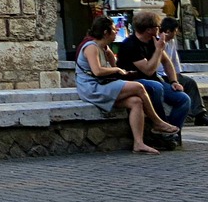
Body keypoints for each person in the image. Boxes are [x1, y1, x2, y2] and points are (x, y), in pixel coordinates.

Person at [75, 16, 179, 155]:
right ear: (105, 32)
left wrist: (116, 65)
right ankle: (157, 122)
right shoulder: (91, 47)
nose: (116, 32)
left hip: (102, 85)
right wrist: (117, 70)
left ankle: (138, 143)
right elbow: (97, 71)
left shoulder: (104, 47)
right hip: (91, 88)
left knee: (136, 102)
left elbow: (113, 65)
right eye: (113, 29)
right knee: (139, 87)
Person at [117, 8, 192, 145]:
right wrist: (158, 49)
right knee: (156, 87)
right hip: (134, 82)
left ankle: (171, 134)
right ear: (149, 30)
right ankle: (160, 126)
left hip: (153, 81)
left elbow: (167, 62)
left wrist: (173, 81)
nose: (160, 29)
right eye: (157, 27)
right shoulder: (130, 45)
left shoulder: (153, 41)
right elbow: (148, 70)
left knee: (183, 99)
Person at [158, 16, 206, 126]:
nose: (176, 33)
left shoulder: (172, 42)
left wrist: (177, 76)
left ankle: (200, 114)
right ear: (168, 31)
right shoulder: (157, 41)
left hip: (171, 74)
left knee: (189, 82)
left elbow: (174, 60)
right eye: (175, 31)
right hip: (160, 75)